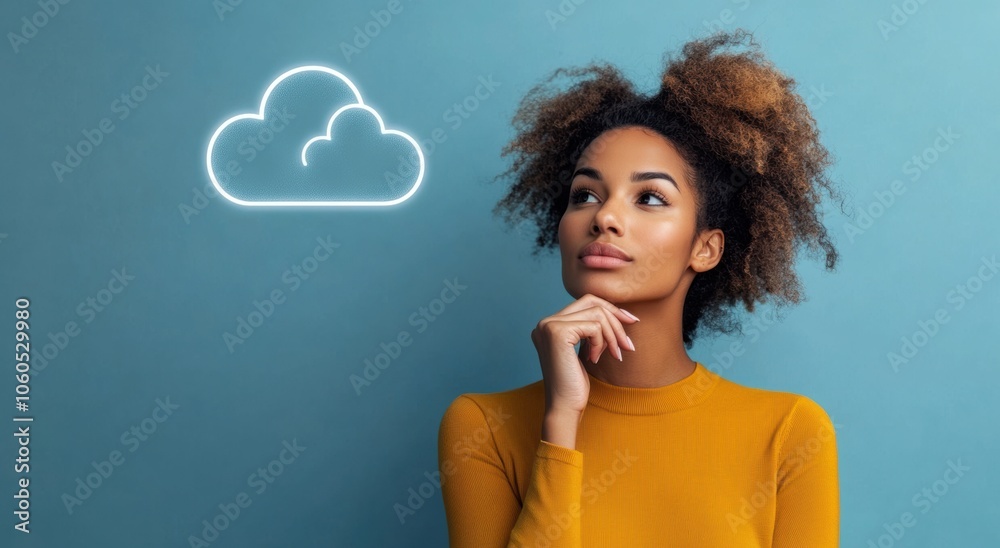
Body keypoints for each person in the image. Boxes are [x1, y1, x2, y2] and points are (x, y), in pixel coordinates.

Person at [438, 28, 844, 547]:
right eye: (584, 194)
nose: (604, 216)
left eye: (649, 198)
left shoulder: (789, 432)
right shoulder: (481, 427)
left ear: (706, 248)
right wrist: (561, 421)